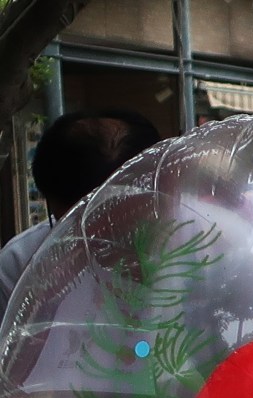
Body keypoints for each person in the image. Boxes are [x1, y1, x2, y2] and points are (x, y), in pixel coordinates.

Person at [0, 108, 160, 315]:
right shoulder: (21, 263)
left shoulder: (207, 240)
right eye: (76, 222)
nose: (100, 239)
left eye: (116, 221)